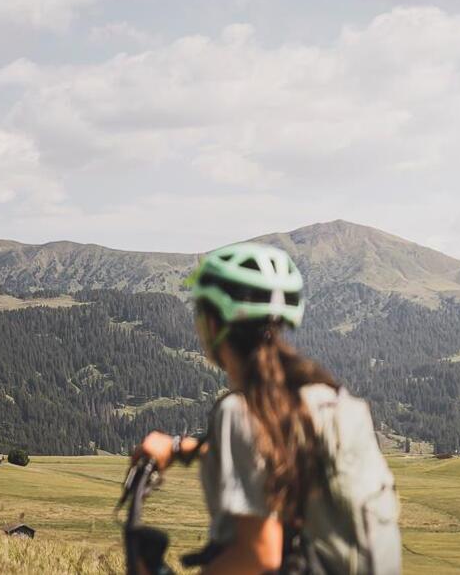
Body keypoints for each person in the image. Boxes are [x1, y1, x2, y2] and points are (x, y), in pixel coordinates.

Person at [133, 242, 400, 574]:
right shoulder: (324, 397)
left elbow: (259, 554)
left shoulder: (240, 411)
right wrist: (180, 447)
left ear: (214, 326)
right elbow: (277, 452)